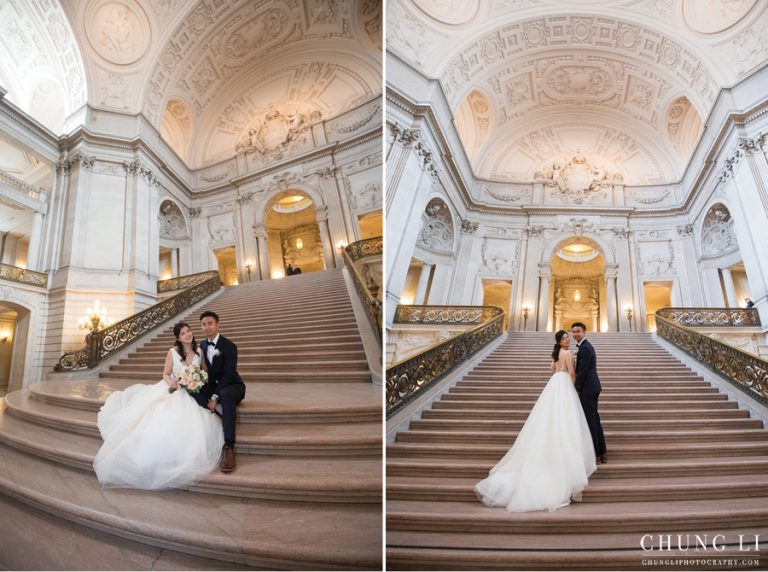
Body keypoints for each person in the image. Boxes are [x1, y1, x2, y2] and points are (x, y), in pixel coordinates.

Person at [474, 330, 597, 512]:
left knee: (548, 419)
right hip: (564, 385)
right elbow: (572, 374)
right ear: (560, 341)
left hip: (554, 383)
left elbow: (551, 369)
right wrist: (574, 389)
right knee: (565, 421)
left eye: (567, 338)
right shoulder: (568, 354)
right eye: (564, 338)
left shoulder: (556, 354)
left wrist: (559, 370)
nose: (567, 340)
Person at [93, 322, 224, 489]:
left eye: (188, 331)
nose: (187, 335)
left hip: (193, 391)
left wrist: (198, 379)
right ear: (178, 337)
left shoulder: (199, 351)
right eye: (183, 333)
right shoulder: (172, 352)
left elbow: (204, 372)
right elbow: (166, 373)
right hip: (175, 389)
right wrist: (173, 383)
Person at [196, 311, 246, 472]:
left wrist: (215, 397)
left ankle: (228, 446)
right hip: (213, 387)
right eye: (204, 324)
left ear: (217, 325)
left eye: (210, 323)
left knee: (224, 394)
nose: (207, 327)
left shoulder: (229, 346)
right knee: (191, 389)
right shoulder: (202, 346)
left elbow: (228, 374)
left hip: (233, 386)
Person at [572, 322, 607, 464]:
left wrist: (576, 387)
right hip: (592, 387)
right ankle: (602, 451)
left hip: (588, 388)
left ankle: (596, 455)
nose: (575, 334)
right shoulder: (585, 347)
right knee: (595, 420)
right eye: (573, 332)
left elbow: (583, 371)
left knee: (591, 421)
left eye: (578, 331)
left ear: (584, 332)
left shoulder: (585, 348)